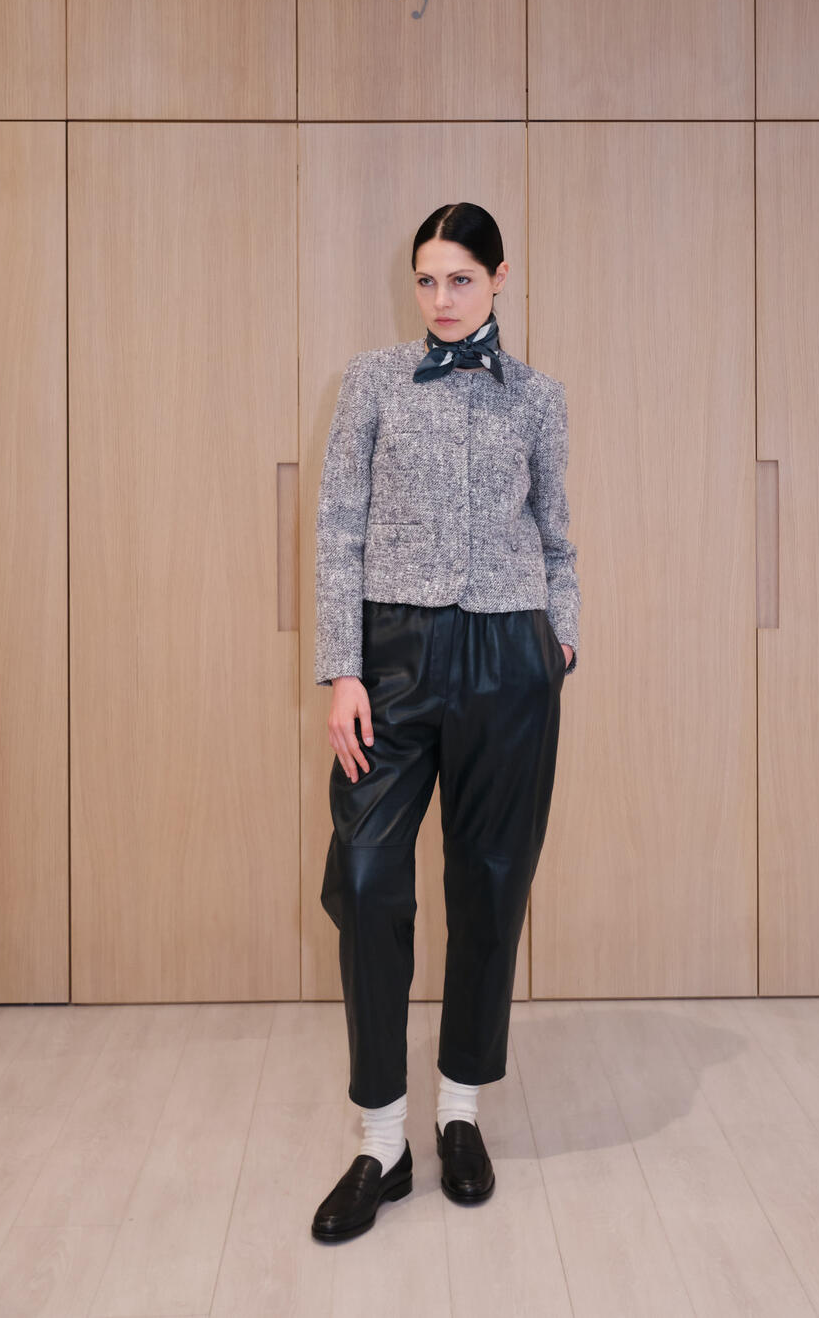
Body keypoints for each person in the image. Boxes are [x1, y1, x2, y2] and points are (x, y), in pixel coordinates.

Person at [310, 202, 581, 1242]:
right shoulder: (373, 380)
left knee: (491, 882)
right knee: (366, 878)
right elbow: (338, 526)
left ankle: (459, 1114)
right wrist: (344, 667)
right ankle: (380, 1143)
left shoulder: (539, 398)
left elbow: (556, 534)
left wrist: (559, 641)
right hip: (394, 659)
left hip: (510, 661)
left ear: (499, 278)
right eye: (426, 279)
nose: (441, 297)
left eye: (460, 278)